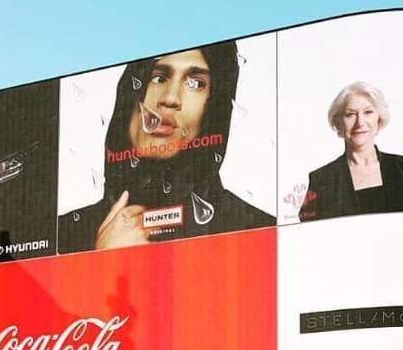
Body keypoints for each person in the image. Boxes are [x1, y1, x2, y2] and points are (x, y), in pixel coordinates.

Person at [58, 43, 273, 254]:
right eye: (158, 78)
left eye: (196, 83)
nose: (170, 98)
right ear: (130, 94)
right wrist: (100, 264)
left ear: (214, 106)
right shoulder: (65, 235)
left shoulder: (259, 232)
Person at [299, 82, 403, 223]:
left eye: (368, 112)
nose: (360, 122)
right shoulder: (322, 179)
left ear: (378, 118)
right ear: (338, 122)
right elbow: (310, 236)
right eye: (350, 114)